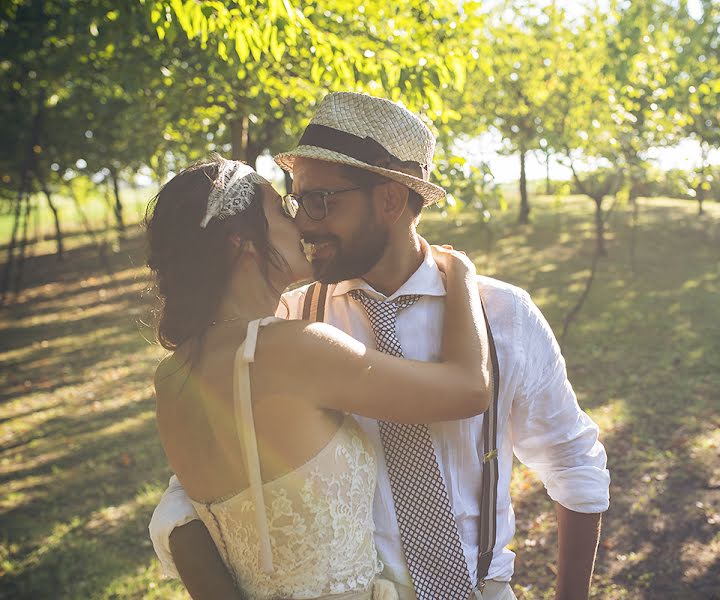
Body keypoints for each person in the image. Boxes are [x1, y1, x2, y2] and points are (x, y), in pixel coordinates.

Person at [150, 92, 610, 600]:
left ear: (391, 200)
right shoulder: (285, 322)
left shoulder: (504, 315)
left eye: (321, 200)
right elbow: (199, 491)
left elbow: (575, 465)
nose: (303, 220)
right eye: (297, 200)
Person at [146, 153, 493, 600]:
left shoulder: (171, 376)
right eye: (281, 211)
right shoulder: (296, 347)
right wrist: (462, 274)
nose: (301, 224)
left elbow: (185, 515)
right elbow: (468, 390)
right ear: (241, 242)